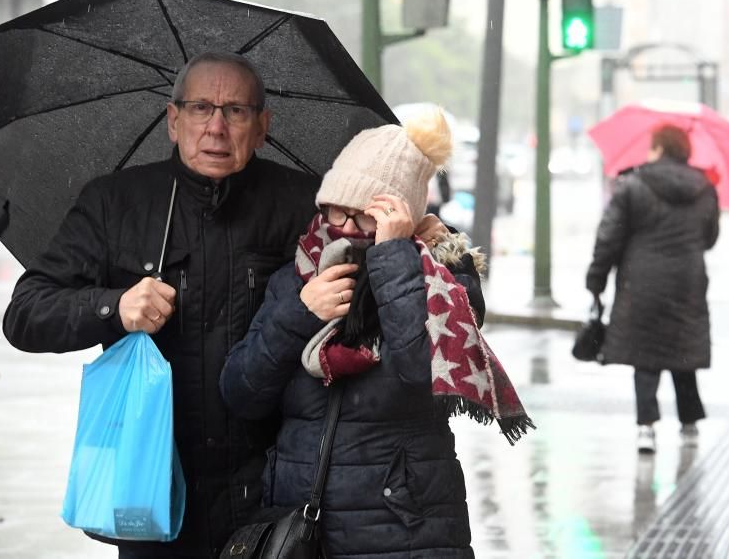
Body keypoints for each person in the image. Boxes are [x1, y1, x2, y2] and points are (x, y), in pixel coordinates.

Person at [3, 51, 321, 558]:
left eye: (236, 111)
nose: (216, 127)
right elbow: (25, 314)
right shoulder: (115, 203)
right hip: (150, 488)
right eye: (200, 108)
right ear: (173, 121)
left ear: (262, 126)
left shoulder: (305, 206)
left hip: (273, 499)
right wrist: (113, 307)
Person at [220, 107, 533, 558]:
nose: (343, 228)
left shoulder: (445, 277)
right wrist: (301, 314)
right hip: (301, 527)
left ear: (398, 215)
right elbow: (241, 393)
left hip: (404, 530)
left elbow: (417, 372)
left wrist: (392, 257)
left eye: (363, 216)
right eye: (334, 210)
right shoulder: (300, 276)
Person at [586, 125, 719, 454]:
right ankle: (689, 423)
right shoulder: (705, 188)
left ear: (659, 147)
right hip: (687, 280)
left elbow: (609, 237)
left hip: (641, 281)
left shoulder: (633, 184)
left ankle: (647, 428)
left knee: (645, 354)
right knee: (682, 350)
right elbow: (710, 237)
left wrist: (596, 280)